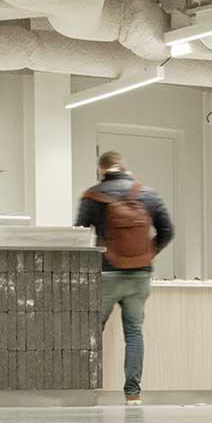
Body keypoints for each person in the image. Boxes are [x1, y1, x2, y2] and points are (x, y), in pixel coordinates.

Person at [75, 148, 174, 404]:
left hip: (106, 273)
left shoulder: (92, 196)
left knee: (92, 332)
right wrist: (148, 254)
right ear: (123, 166)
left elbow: (79, 236)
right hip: (140, 276)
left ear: (101, 169)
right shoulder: (148, 194)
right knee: (134, 334)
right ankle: (133, 394)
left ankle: (86, 390)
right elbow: (167, 231)